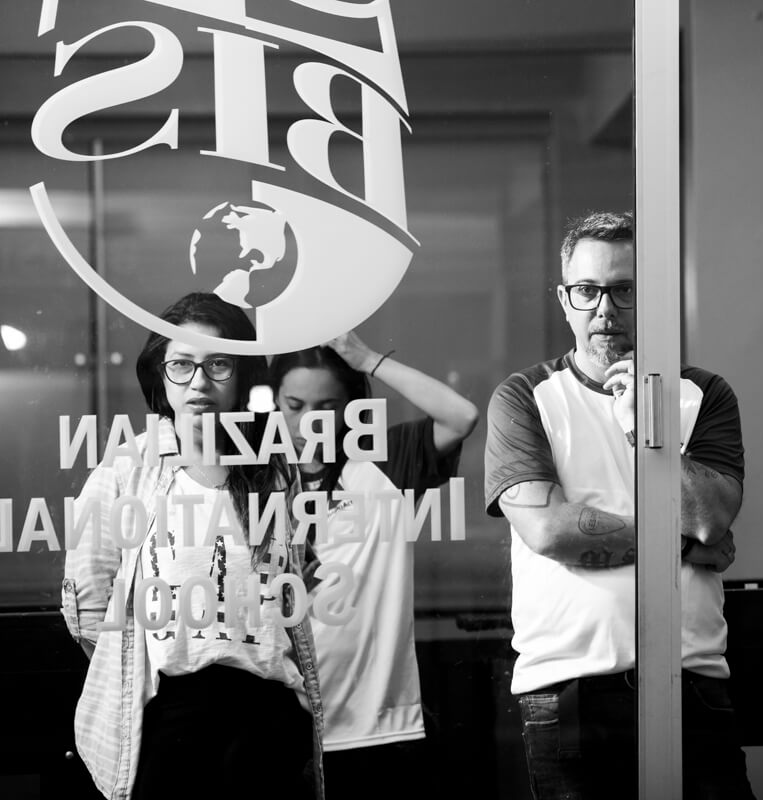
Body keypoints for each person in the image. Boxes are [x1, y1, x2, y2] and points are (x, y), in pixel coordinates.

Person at [483, 210, 756, 799]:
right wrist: (681, 545)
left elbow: (711, 516)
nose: (604, 309)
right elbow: (549, 532)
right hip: (569, 687)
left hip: (690, 681)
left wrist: (643, 427)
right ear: (565, 300)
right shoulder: (524, 397)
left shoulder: (703, 394)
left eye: (624, 290)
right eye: (587, 290)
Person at [61, 292, 324, 800]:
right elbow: (87, 605)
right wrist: (132, 667)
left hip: (270, 713)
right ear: (160, 374)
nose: (199, 382)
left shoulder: (273, 469)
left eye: (219, 363)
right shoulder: (127, 469)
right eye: (182, 365)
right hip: (171, 713)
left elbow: (292, 581)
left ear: (242, 375)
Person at [268, 331, 477, 798]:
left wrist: (366, 358)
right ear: (275, 402)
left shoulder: (383, 461)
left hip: (376, 724)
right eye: (294, 405)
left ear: (350, 407)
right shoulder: (256, 477)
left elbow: (461, 416)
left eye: (326, 406)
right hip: (283, 722)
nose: (308, 422)